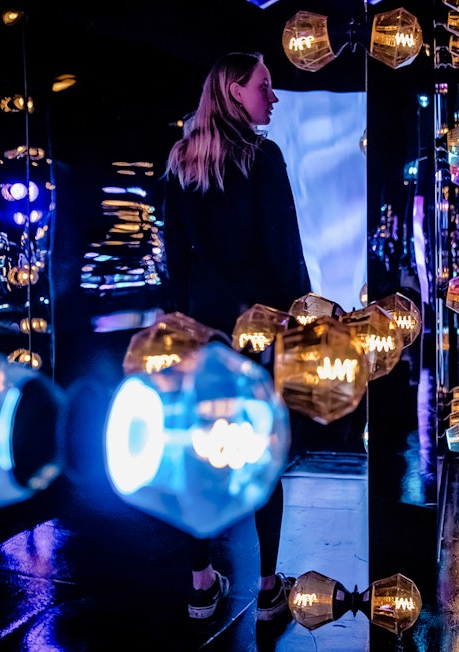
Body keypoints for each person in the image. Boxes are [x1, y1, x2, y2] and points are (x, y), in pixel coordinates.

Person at [161, 51, 311, 624]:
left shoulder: (182, 162)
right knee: (266, 449)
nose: (272, 98)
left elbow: (174, 258)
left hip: (202, 330)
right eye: (264, 87)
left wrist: (183, 320)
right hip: (262, 330)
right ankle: (270, 585)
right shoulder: (263, 158)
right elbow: (283, 248)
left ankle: (201, 583)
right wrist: (301, 313)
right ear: (232, 93)